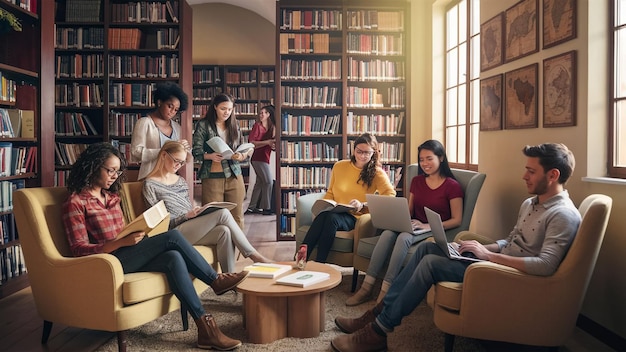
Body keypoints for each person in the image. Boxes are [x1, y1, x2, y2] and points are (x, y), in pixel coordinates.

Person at [330, 143, 582, 352]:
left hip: (508, 275)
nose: (524, 176)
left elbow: (546, 266)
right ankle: (378, 313)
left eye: (531, 171)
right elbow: (512, 240)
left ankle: (378, 331)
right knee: (426, 250)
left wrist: (488, 255)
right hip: (493, 261)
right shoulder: (530, 203)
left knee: (430, 263)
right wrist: (482, 246)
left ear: (553, 175)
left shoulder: (562, 214)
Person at [61, 142, 248, 351]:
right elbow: (78, 249)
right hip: (107, 262)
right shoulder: (76, 202)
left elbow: (122, 232)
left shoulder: (112, 197)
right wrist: (120, 242)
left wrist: (134, 234)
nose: (114, 175)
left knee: (173, 258)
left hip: (127, 253)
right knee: (172, 237)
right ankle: (216, 280)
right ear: (93, 167)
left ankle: (206, 329)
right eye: (110, 170)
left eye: (117, 171)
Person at [346, 140, 463, 306]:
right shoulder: (417, 181)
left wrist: (427, 226)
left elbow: (457, 220)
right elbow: (409, 209)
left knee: (403, 239)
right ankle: (366, 287)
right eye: (421, 159)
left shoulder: (452, 186)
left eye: (429, 158)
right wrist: (398, 219)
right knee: (387, 234)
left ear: (441, 158)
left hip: (432, 229)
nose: (425, 164)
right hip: (413, 224)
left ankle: (386, 293)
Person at [143, 141, 273, 272]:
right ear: (164, 155)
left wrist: (196, 211)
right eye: (176, 160)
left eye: (182, 162)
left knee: (224, 231)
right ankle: (253, 255)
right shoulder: (150, 185)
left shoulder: (180, 180)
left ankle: (229, 278)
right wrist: (185, 216)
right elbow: (156, 223)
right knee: (222, 214)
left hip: (188, 225)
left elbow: (187, 208)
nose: (178, 165)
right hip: (172, 234)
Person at [301, 133, 396, 263]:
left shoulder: (377, 173)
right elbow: (330, 192)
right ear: (353, 150)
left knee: (330, 219)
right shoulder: (339, 166)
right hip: (336, 211)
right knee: (323, 216)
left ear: (373, 152)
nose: (363, 156)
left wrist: (363, 205)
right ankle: (302, 256)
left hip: (356, 216)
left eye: (367, 153)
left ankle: (317, 262)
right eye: (359, 151)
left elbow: (390, 196)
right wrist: (323, 205)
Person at [192, 93, 249, 229]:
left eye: (230, 109)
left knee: (237, 216)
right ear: (215, 107)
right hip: (212, 176)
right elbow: (196, 151)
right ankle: (217, 248)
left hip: (234, 175)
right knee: (214, 217)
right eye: (223, 108)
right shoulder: (204, 125)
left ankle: (238, 250)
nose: (227, 112)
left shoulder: (234, 124)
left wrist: (241, 156)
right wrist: (210, 156)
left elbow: (243, 147)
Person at [130, 81, 192, 180]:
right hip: (149, 177)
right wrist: (164, 150)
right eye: (170, 106)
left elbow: (184, 159)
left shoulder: (177, 127)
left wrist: (185, 149)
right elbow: (135, 153)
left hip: (170, 179)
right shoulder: (144, 123)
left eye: (176, 110)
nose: (172, 112)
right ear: (159, 102)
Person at [246, 104, 276, 215]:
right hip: (258, 159)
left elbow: (270, 145)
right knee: (268, 182)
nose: (262, 115)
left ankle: (251, 208)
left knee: (259, 183)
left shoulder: (271, 128)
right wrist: (267, 142)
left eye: (265, 113)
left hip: (264, 158)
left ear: (269, 114)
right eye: (260, 113)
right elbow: (252, 143)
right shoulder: (257, 126)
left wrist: (272, 145)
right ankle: (266, 208)